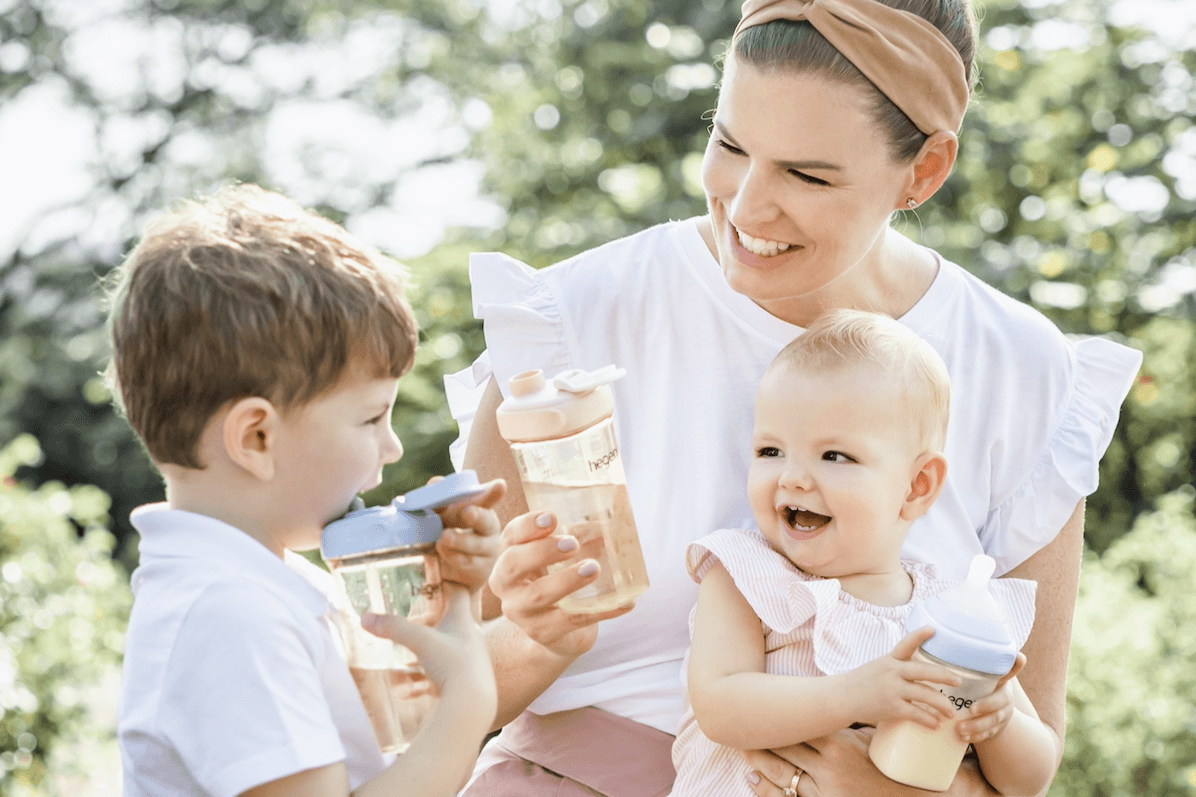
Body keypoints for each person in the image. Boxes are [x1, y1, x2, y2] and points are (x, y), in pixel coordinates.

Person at [446, 0, 1143, 794]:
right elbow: (423, 702)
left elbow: (1026, 748)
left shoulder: (1021, 368)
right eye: (729, 144)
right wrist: (540, 640)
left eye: (806, 174)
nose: (745, 207)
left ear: (924, 170)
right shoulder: (574, 327)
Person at [109, 184, 505, 797]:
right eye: (372, 418)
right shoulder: (230, 616)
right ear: (258, 438)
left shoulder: (272, 584)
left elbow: (395, 745)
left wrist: (451, 602)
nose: (392, 446)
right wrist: (469, 704)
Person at [671, 309, 1054, 797]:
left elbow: (1030, 784)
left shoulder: (954, 618)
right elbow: (719, 705)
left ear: (917, 485)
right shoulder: (746, 573)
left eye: (835, 456)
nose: (791, 476)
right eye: (771, 451)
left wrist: (997, 722)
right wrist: (852, 695)